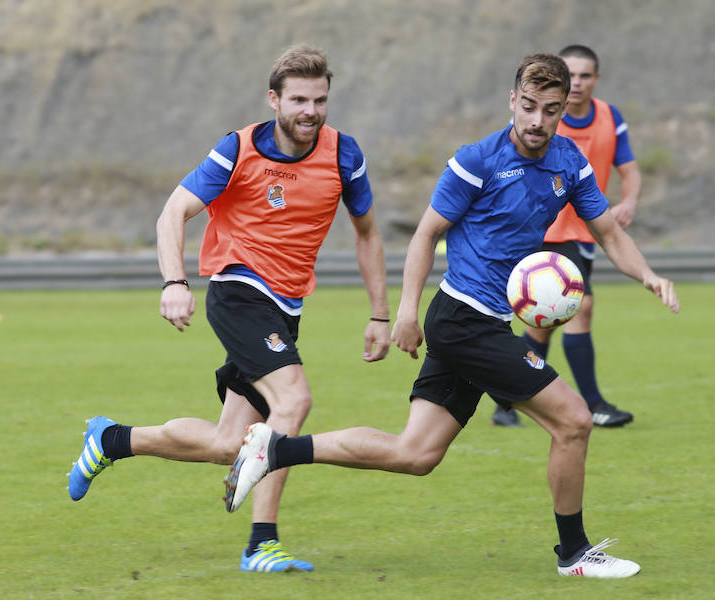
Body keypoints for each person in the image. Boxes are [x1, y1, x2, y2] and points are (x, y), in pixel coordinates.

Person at [223, 53, 679, 578]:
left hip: (484, 323)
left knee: (415, 454)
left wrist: (647, 275)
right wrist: (406, 312)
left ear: (562, 110)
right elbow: (425, 235)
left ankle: (277, 450)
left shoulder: (569, 162)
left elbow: (609, 233)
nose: (537, 120)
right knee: (574, 420)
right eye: (529, 106)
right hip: (464, 320)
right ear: (512, 101)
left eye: (550, 110)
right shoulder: (476, 161)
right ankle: (575, 554)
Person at [65, 44, 391, 573]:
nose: (310, 111)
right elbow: (173, 212)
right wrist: (175, 282)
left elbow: (368, 234)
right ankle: (262, 543)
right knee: (294, 400)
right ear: (274, 100)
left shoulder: (343, 155)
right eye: (299, 100)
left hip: (286, 307)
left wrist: (380, 313)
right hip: (239, 291)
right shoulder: (237, 149)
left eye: (320, 100)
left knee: (228, 444)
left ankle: (111, 439)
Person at [492, 44, 643, 428]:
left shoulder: (610, 117)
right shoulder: (542, 123)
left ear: (596, 79)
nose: (577, 82)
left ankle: (505, 402)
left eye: (584, 75)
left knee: (541, 323)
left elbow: (629, 169)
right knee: (581, 305)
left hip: (586, 232)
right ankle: (593, 403)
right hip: (550, 231)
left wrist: (628, 201)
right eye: (570, 75)